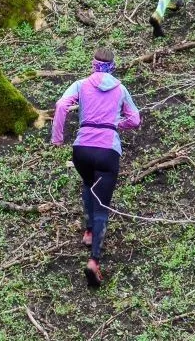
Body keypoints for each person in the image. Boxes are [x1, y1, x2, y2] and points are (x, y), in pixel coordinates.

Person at [51, 47, 141, 287]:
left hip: (82, 149)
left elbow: (61, 105)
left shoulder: (81, 85)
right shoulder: (121, 89)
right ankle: (94, 261)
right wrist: (115, 125)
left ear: (93, 65)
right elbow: (135, 119)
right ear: (113, 66)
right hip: (107, 151)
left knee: (88, 183)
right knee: (102, 205)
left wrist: (58, 138)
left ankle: (89, 232)